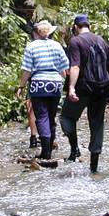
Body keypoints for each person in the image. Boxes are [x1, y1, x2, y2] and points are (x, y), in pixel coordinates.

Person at [60, 14, 109, 173]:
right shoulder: (101, 40)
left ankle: (74, 150)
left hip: (82, 89)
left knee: (66, 117)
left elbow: (75, 66)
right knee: (97, 124)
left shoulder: (75, 41)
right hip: (101, 90)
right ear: (89, 26)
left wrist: (71, 87)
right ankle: (94, 167)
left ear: (76, 27)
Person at [16, 20, 69, 159]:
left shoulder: (31, 47)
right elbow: (64, 67)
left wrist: (21, 86)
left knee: (41, 117)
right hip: (55, 85)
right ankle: (49, 148)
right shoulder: (57, 46)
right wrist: (67, 84)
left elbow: (27, 70)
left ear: (36, 33)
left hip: (38, 85)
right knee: (51, 117)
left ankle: (46, 152)